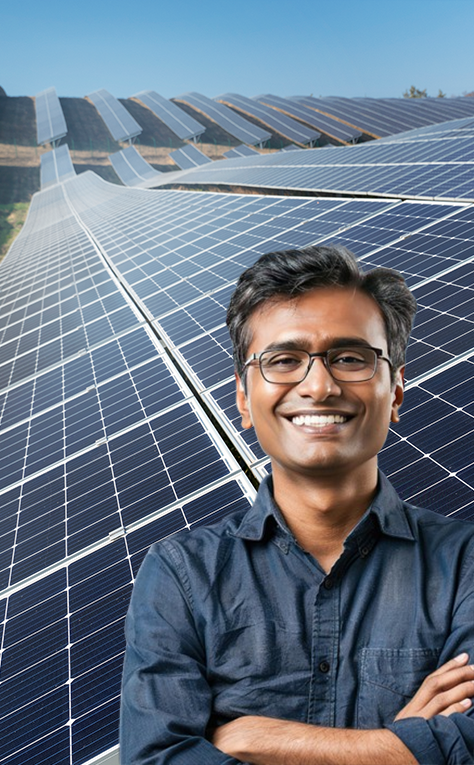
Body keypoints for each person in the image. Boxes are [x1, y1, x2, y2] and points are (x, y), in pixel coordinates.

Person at [120, 245, 474, 764]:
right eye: (284, 361)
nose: (319, 386)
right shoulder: (182, 575)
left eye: (351, 358)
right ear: (243, 398)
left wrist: (257, 740)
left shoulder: (465, 563)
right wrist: (404, 749)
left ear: (395, 393)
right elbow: (158, 758)